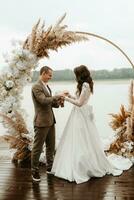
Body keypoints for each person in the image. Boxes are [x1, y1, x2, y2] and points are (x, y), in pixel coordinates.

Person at [51, 65, 132, 184]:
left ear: (80, 74)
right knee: (75, 139)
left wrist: (65, 99)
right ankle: (74, 163)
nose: (75, 77)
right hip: (78, 114)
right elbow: (79, 99)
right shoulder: (84, 85)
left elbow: (79, 103)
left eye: (76, 74)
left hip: (80, 115)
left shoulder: (85, 85)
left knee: (82, 139)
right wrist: (69, 96)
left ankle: (83, 166)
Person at [31, 66, 63, 182]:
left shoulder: (47, 86)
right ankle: (34, 171)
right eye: (49, 75)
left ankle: (50, 167)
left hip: (50, 120)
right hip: (41, 122)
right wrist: (57, 96)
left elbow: (50, 103)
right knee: (37, 148)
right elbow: (43, 101)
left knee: (51, 146)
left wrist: (59, 102)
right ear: (43, 73)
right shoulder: (36, 86)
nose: (51, 77)